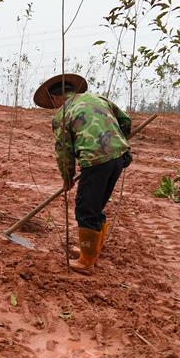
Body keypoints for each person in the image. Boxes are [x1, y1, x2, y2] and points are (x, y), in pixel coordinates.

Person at [33, 73, 132, 275]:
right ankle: (93, 249)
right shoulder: (99, 99)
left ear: (55, 98)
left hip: (96, 162)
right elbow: (125, 121)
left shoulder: (62, 116)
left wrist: (67, 178)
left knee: (85, 209)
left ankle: (86, 262)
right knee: (97, 205)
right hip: (119, 157)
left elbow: (64, 152)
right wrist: (120, 143)